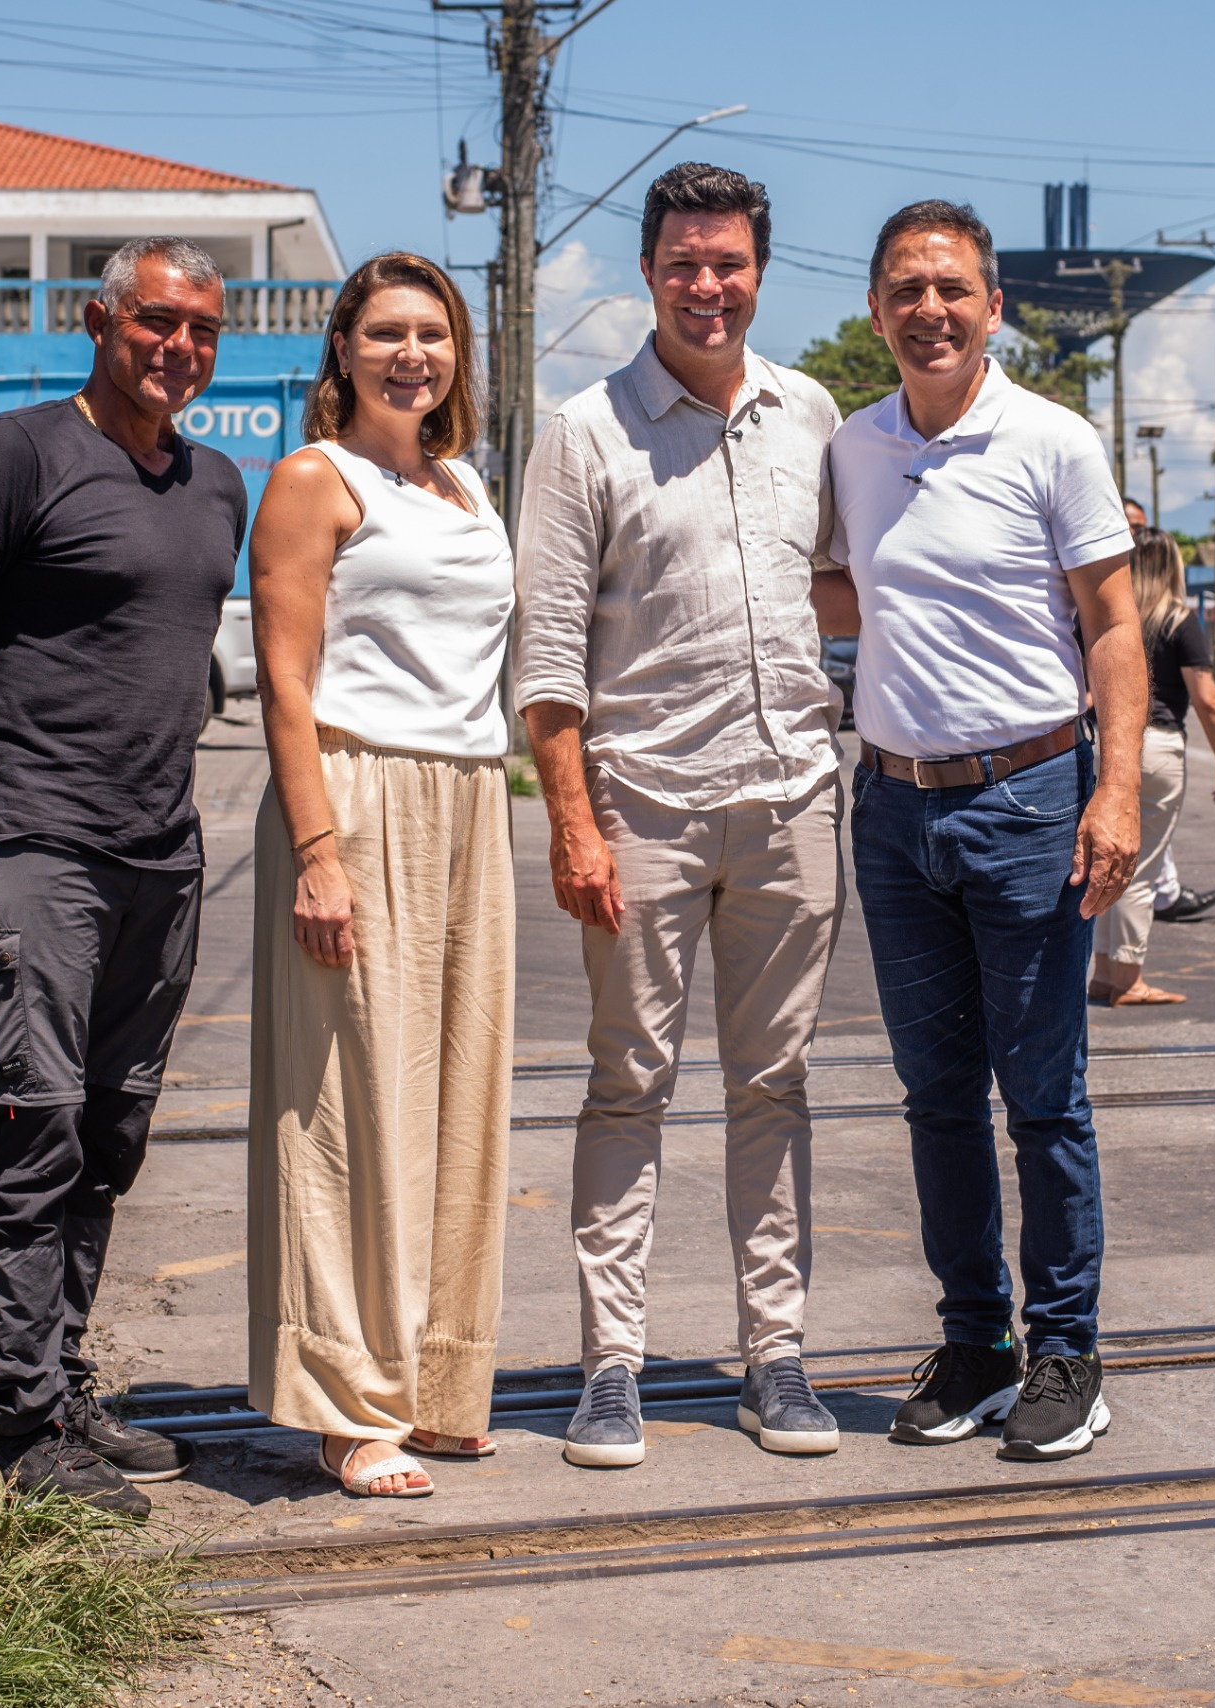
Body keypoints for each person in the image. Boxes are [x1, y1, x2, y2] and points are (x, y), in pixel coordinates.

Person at [0, 237, 246, 1517]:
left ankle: (61, 1383)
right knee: (31, 1130)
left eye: (201, 329)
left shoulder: (215, 483)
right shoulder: (14, 453)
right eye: (156, 321)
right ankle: (13, 1431)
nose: (178, 348)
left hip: (160, 854)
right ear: (98, 319)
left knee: (107, 1134)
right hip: (36, 847)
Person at [514, 163, 847, 1472]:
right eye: (683, 263)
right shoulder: (583, 431)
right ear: (647, 272)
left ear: (759, 270)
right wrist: (574, 824)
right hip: (643, 805)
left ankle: (777, 1354)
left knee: (777, 1084)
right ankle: (613, 1365)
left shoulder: (809, 411)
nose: (707, 285)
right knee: (628, 1086)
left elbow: (835, 588)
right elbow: (546, 657)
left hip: (793, 803)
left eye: (729, 263)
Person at [817, 200, 1146, 1463]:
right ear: (876, 308)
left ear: (992, 306)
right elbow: (848, 581)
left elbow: (1111, 625)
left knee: (1043, 1099)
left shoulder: (1052, 441)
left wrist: (1112, 793)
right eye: (906, 289)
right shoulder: (853, 447)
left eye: (952, 288)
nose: (930, 310)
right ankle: (978, 1345)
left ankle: (1068, 1350)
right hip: (894, 806)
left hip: (1026, 799)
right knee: (934, 1099)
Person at [244, 253, 515, 1501]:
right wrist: (317, 855)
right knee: (348, 1111)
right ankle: (350, 1403)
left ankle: (436, 1381)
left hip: (469, 800)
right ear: (342, 350)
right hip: (356, 798)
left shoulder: (463, 484)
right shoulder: (317, 478)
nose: (414, 354)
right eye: (388, 333)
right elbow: (287, 686)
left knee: (460, 1099)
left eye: (435, 334)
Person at [1091, 531, 1215, 1006]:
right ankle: (1129, 978)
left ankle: (1103, 975)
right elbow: (1208, 700)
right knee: (1142, 865)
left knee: (1106, 861)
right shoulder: (1179, 620)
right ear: (1172, 567)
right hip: (1157, 746)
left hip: (1109, 741)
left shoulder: (1115, 617)